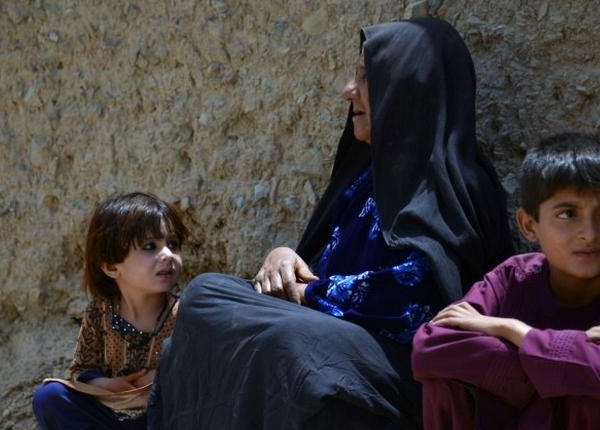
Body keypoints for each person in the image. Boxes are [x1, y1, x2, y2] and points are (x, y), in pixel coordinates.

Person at [148, 17, 514, 429]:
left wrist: (308, 294)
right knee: (206, 293)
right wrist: (284, 257)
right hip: (330, 345)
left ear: (408, 86)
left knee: (293, 347)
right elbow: (319, 270)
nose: (348, 91)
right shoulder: (365, 183)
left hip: (400, 372)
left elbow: (415, 297)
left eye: (366, 77)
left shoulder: (455, 184)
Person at [412, 132, 600, 429]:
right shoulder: (513, 277)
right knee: (447, 381)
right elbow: (430, 348)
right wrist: (582, 344)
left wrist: (515, 331)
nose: (590, 233)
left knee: (591, 394)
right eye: (568, 214)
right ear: (529, 225)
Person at [32, 192, 190, 429]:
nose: (168, 255)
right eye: (150, 247)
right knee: (49, 396)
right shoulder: (99, 314)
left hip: (163, 418)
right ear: (111, 266)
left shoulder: (185, 314)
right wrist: (103, 383)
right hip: (114, 416)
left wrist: (162, 376)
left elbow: (198, 373)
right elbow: (82, 367)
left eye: (173, 244)